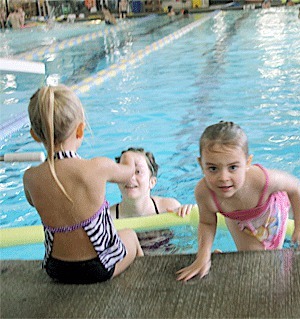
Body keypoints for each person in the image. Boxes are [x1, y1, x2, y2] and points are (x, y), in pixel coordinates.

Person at [23, 85, 143, 284]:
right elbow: (127, 173)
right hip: (98, 268)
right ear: (80, 129)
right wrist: (129, 157)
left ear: (35, 135)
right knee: (129, 235)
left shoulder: (30, 178)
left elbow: (32, 202)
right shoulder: (98, 167)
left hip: (56, 269)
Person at [176, 121, 300, 281]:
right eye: (212, 168)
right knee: (251, 259)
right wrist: (203, 257)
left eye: (233, 167)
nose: (223, 178)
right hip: (237, 217)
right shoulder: (204, 192)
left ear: (248, 162)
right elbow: (207, 223)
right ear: (201, 164)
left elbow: (295, 187)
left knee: (268, 260)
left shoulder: (262, 180)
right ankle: (224, 258)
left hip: (269, 211)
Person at [110, 147, 194, 219]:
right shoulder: (109, 217)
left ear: (152, 182)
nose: (131, 177)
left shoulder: (168, 208)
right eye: (125, 171)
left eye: (138, 171)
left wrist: (189, 212)